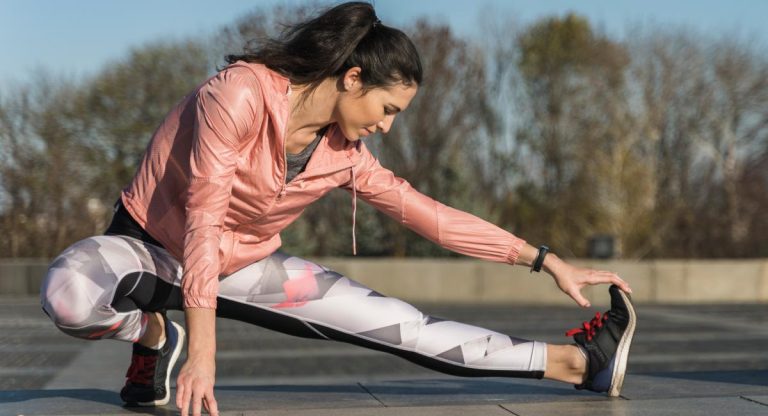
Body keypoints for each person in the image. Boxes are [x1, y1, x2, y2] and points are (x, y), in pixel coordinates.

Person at [39, 2, 636, 416]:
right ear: (352, 77)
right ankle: (152, 334)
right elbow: (202, 218)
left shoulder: (346, 155)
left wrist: (544, 259)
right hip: (151, 245)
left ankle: (582, 365)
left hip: (245, 265)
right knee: (69, 290)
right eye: (389, 108)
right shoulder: (239, 94)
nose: (386, 125)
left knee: (410, 331)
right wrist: (202, 353)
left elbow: (430, 216)